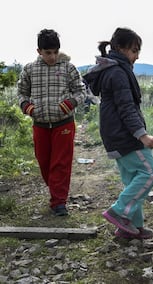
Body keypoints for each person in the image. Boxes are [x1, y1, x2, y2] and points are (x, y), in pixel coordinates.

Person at [83, 27, 153, 239]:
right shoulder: (118, 73)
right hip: (124, 136)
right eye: (134, 50)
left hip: (114, 136)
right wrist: (142, 135)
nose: (137, 56)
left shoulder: (112, 70)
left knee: (134, 179)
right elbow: (126, 107)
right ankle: (118, 212)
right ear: (119, 48)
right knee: (150, 173)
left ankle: (131, 227)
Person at [17, 29, 86, 216]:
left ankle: (59, 202)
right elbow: (21, 93)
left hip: (63, 123)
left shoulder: (68, 68)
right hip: (40, 125)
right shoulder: (29, 69)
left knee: (61, 163)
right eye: (48, 53)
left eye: (55, 52)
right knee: (44, 162)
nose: (53, 56)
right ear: (39, 51)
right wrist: (27, 108)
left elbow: (81, 92)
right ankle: (56, 189)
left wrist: (68, 104)